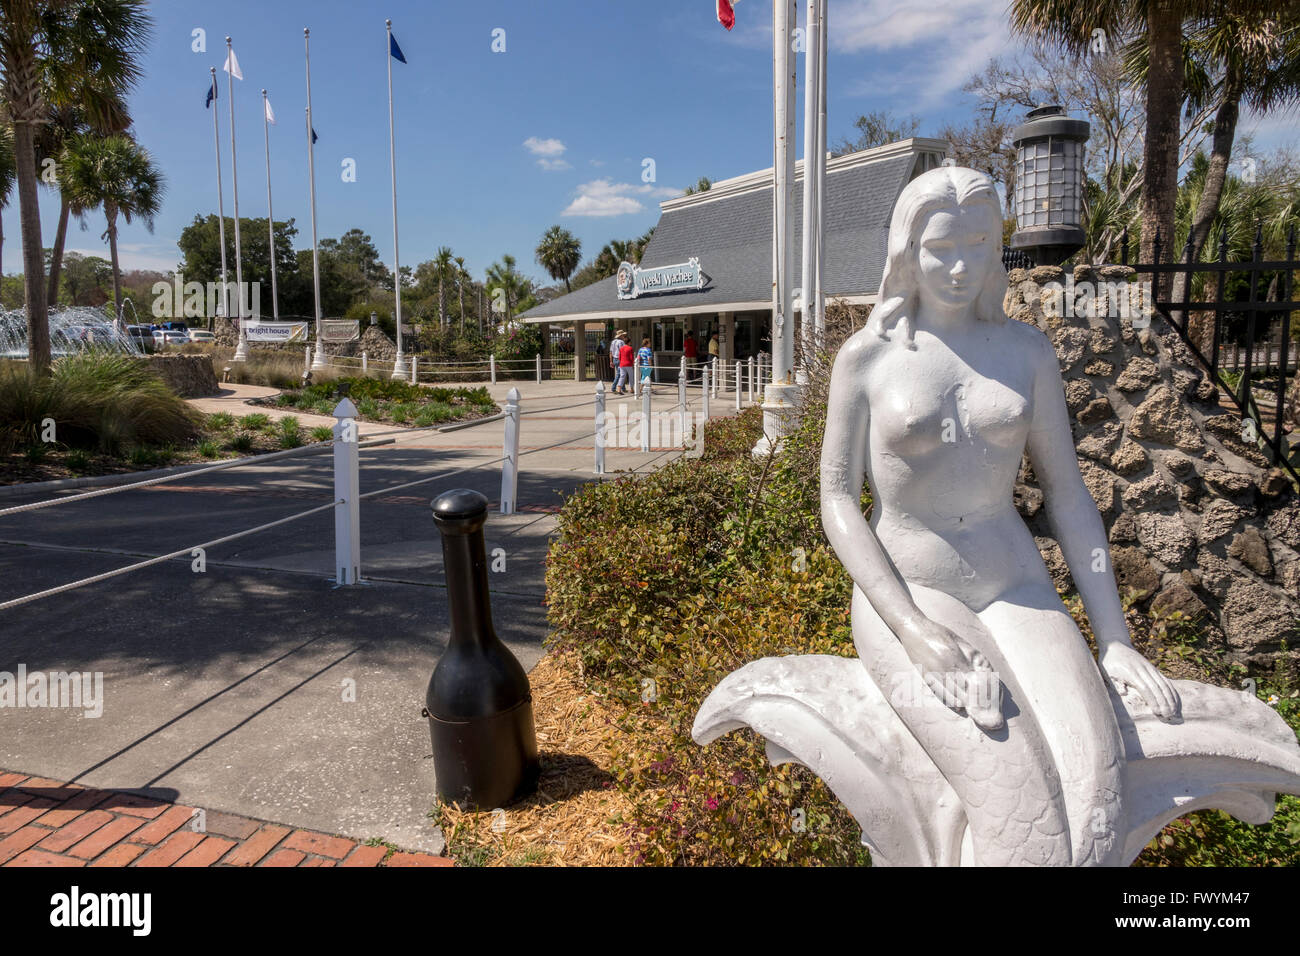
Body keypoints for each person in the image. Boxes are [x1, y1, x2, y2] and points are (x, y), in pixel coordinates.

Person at [820, 165, 1180, 866]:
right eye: (940, 248)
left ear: (997, 251)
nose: (959, 267)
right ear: (907, 250)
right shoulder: (866, 359)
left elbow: (1068, 494)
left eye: (977, 246)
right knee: (1011, 783)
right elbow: (838, 498)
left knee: (1095, 775)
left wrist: (1115, 638)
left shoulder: (1026, 352)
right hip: (913, 590)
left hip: (1015, 585)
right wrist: (911, 628)